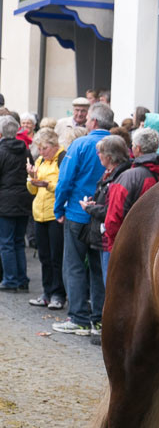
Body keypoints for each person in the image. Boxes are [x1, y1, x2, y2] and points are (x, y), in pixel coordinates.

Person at [52, 102, 114, 336]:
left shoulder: (80, 144)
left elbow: (65, 181)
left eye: (87, 118)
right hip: (103, 216)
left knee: (75, 266)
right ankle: (97, 320)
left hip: (78, 214)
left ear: (94, 122)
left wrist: (58, 210)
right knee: (98, 267)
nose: (85, 122)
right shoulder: (119, 145)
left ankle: (78, 317)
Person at [102, 128, 159, 257]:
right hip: (156, 242)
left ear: (137, 148)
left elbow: (113, 218)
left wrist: (114, 246)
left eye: (132, 145)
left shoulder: (128, 177)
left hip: (128, 244)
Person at [79, 134, 132, 284]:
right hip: (103, 234)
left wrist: (90, 209)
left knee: (108, 281)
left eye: (100, 152)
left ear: (109, 156)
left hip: (111, 236)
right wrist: (95, 203)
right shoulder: (110, 173)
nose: (98, 155)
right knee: (99, 278)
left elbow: (112, 211)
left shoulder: (119, 176)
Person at [26, 127, 66, 309]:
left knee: (55, 256)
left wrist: (47, 184)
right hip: (39, 214)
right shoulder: (41, 160)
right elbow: (33, 190)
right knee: (43, 256)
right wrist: (32, 177)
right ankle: (46, 292)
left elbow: (63, 185)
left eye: (44, 148)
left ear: (53, 145)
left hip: (54, 214)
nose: (41, 152)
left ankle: (58, 294)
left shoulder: (61, 158)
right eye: (40, 149)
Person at [0, 115, 32, 291]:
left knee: (6, 242)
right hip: (23, 200)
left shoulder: (1, 151)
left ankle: (10, 279)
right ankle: (22, 279)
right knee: (19, 241)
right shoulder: (25, 150)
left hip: (5, 202)